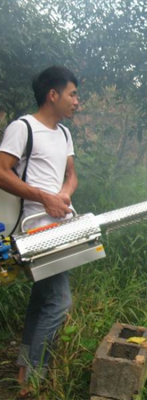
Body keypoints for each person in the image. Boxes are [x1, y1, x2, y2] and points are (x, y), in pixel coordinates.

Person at [0, 65, 79, 398]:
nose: (77, 101)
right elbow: (2, 173)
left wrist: (64, 193)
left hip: (58, 228)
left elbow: (72, 175)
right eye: (73, 94)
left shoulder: (63, 134)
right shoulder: (23, 128)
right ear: (53, 94)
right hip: (31, 231)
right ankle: (32, 381)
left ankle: (22, 375)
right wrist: (43, 197)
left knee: (42, 299)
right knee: (60, 302)